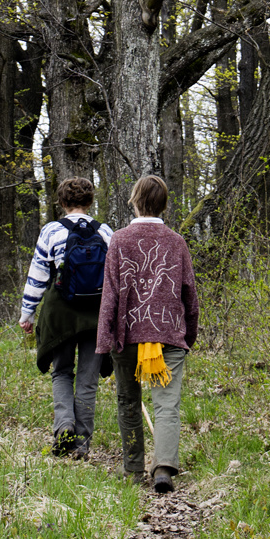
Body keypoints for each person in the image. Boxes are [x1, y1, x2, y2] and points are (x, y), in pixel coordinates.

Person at [96, 174, 199, 493]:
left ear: (135, 201)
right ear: (164, 204)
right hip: (168, 332)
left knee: (128, 400)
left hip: (128, 334)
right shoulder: (176, 241)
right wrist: (188, 335)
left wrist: (103, 345)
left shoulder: (119, 240)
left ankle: (132, 469)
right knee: (167, 404)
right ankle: (164, 467)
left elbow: (109, 296)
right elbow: (190, 295)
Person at [19, 177, 113, 459]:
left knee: (61, 372)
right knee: (87, 379)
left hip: (59, 313)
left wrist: (28, 314)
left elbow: (38, 275)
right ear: (90, 201)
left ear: (61, 203)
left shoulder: (51, 231)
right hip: (95, 315)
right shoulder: (106, 231)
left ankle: (64, 427)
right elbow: (115, 279)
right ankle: (81, 445)